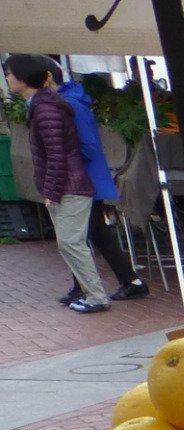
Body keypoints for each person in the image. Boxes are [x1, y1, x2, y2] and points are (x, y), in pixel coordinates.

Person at [7, 54, 108, 313]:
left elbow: (56, 153)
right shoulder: (44, 105)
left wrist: (51, 191)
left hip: (69, 187)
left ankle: (96, 296)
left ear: (23, 78)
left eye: (9, 73)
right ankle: (91, 294)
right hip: (69, 185)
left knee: (71, 243)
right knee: (70, 243)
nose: (7, 77)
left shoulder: (44, 109)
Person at [50, 61, 145, 302]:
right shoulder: (71, 101)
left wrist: (66, 161)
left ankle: (96, 285)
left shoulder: (70, 104)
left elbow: (88, 146)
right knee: (92, 232)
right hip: (84, 179)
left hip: (83, 180)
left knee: (79, 235)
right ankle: (128, 280)